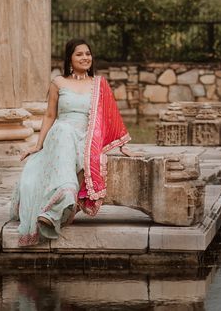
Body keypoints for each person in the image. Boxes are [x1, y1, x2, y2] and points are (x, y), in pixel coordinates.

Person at [10, 38, 139, 245]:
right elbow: (50, 116)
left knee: (73, 139)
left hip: (87, 139)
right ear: (70, 58)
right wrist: (38, 144)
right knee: (62, 129)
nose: (85, 58)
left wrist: (123, 146)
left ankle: (55, 209)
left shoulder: (99, 84)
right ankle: (64, 197)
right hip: (60, 136)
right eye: (79, 54)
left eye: (88, 54)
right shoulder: (58, 83)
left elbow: (111, 117)